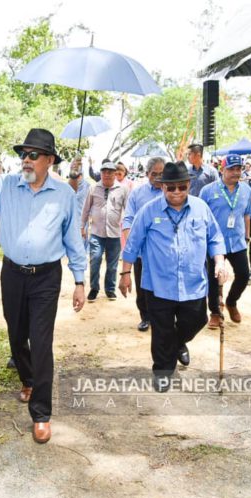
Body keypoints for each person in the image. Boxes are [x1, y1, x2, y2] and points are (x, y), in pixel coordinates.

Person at [0, 114, 86, 444]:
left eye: (33, 154)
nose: (26, 159)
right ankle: (27, 378)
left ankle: (41, 412)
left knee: (41, 341)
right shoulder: (5, 185)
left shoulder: (64, 195)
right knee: (16, 334)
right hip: (12, 273)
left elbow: (73, 240)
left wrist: (80, 280)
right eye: (23, 154)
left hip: (46, 278)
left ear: (50, 160)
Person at [119, 162, 226, 390]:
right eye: (171, 188)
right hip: (158, 284)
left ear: (188, 185)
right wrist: (125, 273)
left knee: (198, 320)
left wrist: (219, 262)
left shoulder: (200, 208)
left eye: (181, 187)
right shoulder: (148, 210)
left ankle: (177, 344)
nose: (177, 192)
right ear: (163, 187)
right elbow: (133, 243)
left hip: (193, 283)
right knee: (161, 329)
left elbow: (215, 238)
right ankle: (162, 372)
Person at [199, 154, 251, 328]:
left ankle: (231, 302)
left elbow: (246, 215)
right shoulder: (208, 191)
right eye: (231, 169)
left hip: (237, 241)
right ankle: (214, 311)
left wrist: (247, 236)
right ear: (223, 169)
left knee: (244, 275)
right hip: (214, 243)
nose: (236, 173)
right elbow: (200, 217)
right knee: (213, 278)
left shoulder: (246, 190)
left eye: (239, 169)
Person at [122, 156, 165, 332]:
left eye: (161, 174)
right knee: (142, 287)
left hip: (163, 251)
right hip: (142, 251)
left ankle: (162, 318)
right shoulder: (137, 194)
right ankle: (145, 317)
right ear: (147, 174)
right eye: (154, 174)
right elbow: (128, 219)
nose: (158, 177)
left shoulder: (171, 192)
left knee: (162, 286)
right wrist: (131, 242)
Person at [81, 161, 128, 302]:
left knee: (112, 265)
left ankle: (110, 289)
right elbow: (85, 209)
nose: (107, 174)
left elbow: (128, 211)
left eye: (110, 172)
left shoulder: (123, 189)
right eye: (104, 172)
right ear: (100, 173)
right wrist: (81, 226)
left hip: (114, 233)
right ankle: (94, 288)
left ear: (115, 174)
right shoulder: (93, 188)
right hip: (96, 232)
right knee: (95, 260)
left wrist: (127, 228)